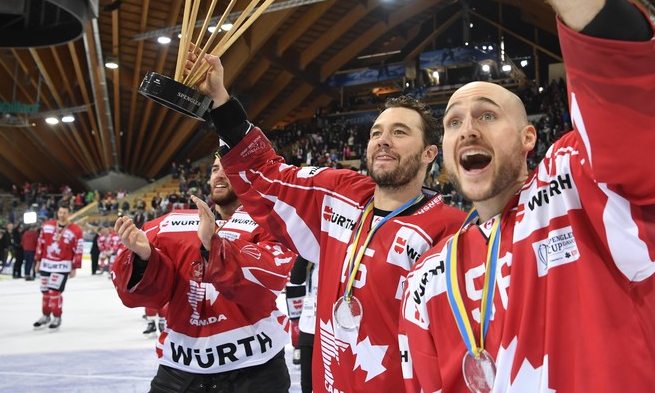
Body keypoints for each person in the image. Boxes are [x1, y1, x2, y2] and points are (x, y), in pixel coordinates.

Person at [397, 0, 655, 391]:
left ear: (529, 139)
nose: (467, 130)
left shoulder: (572, 191)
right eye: (453, 121)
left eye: (486, 114)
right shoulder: (427, 275)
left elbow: (649, 132)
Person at [182, 49, 468, 392]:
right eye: (376, 132)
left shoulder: (451, 230)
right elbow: (267, 175)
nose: (383, 141)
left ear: (429, 153)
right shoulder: (340, 195)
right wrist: (221, 101)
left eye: (400, 132)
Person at [111, 157, 295, 392]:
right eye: (215, 169)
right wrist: (143, 258)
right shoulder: (169, 225)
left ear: (249, 178)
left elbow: (267, 283)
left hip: (255, 370)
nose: (219, 175)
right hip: (180, 371)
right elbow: (145, 297)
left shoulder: (268, 224)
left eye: (229, 169)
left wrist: (213, 245)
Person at [33, 203, 83, 329]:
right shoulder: (47, 226)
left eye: (64, 213)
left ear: (69, 214)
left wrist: (74, 267)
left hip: (63, 265)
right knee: (45, 292)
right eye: (60, 212)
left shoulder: (76, 230)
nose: (62, 215)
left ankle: (56, 317)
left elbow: (79, 249)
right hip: (46, 264)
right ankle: (45, 316)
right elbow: (41, 244)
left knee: (54, 291)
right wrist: (38, 261)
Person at [286, 255, 318, 393]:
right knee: (306, 383)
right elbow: (296, 279)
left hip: (328, 327)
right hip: (308, 324)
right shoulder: (311, 256)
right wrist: (305, 252)